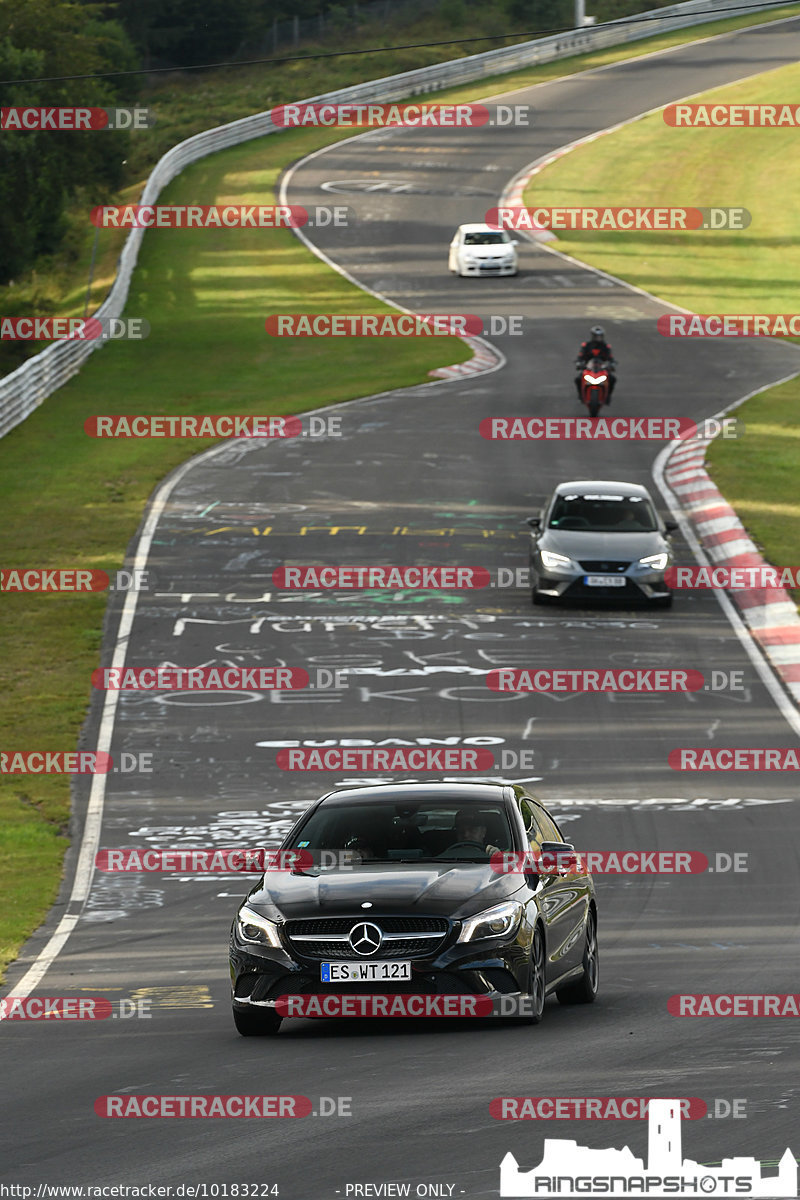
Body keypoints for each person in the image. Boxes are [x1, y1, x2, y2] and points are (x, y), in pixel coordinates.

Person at [575, 325, 616, 402]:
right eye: (596, 336)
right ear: (593, 336)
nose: (598, 338)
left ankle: (608, 396)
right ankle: (581, 395)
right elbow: (581, 356)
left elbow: (610, 357)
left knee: (612, 379)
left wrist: (612, 364)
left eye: (600, 336)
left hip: (601, 369)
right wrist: (579, 363)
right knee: (578, 379)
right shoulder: (587, 345)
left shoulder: (605, 346)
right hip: (589, 368)